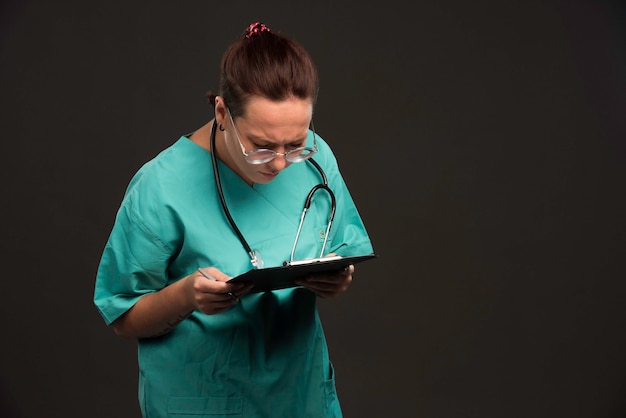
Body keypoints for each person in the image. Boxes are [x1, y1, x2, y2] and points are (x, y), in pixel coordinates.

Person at [93, 21, 374, 418]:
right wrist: (187, 295)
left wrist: (336, 278)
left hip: (299, 393)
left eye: (295, 144)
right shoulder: (160, 187)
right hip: (204, 397)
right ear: (222, 112)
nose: (280, 163)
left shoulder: (316, 160)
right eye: (260, 146)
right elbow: (123, 316)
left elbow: (341, 248)